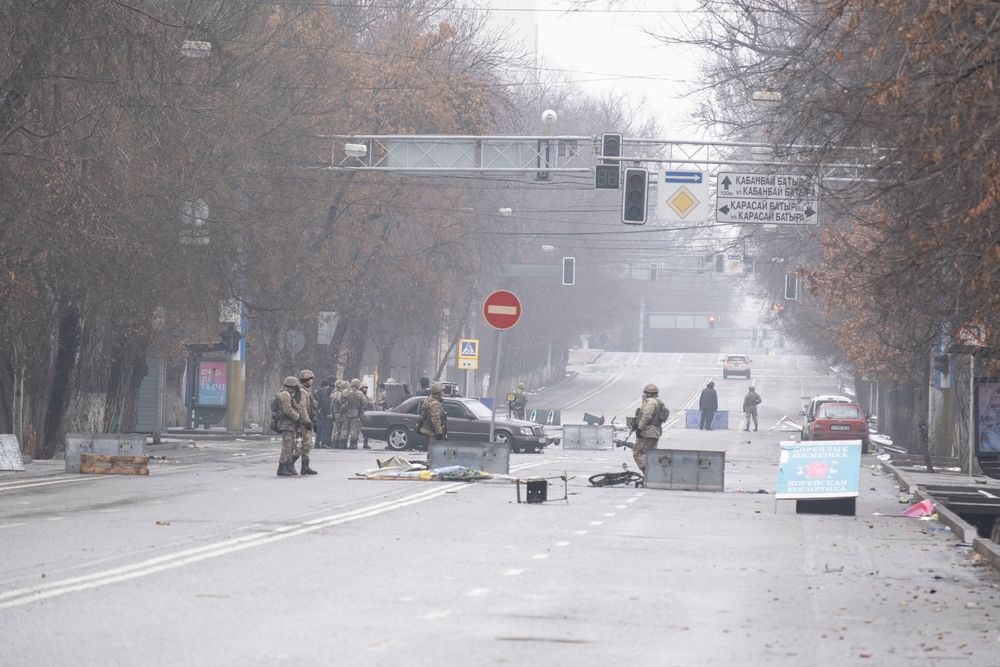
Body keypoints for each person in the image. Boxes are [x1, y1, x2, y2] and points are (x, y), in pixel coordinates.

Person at [633, 383, 669, 473]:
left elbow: (647, 416)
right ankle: (655, 474)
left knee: (637, 453)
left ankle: (648, 472)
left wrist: (639, 428)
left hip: (647, 432)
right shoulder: (659, 402)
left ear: (649, 393)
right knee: (652, 455)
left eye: (645, 393)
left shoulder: (650, 401)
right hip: (655, 432)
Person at [271, 376, 302, 477]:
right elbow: (287, 409)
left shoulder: (285, 394)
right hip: (286, 424)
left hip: (288, 424)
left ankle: (288, 466)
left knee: (291, 445)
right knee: (287, 446)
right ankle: (281, 467)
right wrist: (297, 417)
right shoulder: (285, 395)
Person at [295, 369, 319, 474]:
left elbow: (311, 408)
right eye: (311, 379)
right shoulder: (302, 392)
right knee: (305, 444)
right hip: (302, 422)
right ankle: (289, 463)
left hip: (307, 420)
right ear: (306, 380)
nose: (312, 382)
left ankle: (305, 466)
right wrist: (307, 421)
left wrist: (314, 421)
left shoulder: (306, 391)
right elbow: (302, 408)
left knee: (307, 444)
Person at [341, 378, 365, 450]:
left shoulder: (345, 392)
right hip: (355, 413)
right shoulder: (359, 393)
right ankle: (353, 445)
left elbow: (341, 401)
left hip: (346, 413)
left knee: (345, 429)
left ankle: (343, 444)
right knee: (353, 429)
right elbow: (364, 403)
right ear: (357, 384)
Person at [330, 379, 349, 449]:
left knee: (336, 429)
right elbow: (343, 405)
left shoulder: (334, 394)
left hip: (336, 413)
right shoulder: (343, 394)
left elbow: (331, 406)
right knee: (344, 429)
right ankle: (342, 444)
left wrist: (333, 414)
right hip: (343, 413)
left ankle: (335, 444)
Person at [316, 377, 333, 448]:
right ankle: (323, 443)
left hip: (319, 412)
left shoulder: (318, 391)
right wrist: (328, 413)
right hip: (323, 413)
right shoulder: (324, 392)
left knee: (319, 429)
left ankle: (317, 443)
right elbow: (325, 403)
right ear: (327, 385)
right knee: (324, 428)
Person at [359, 382, 374, 449]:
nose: (365, 389)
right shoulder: (358, 396)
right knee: (355, 430)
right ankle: (353, 443)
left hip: (365, 415)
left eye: (366, 388)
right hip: (358, 414)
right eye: (364, 388)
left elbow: (372, 406)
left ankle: (365, 444)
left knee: (366, 430)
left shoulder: (368, 397)